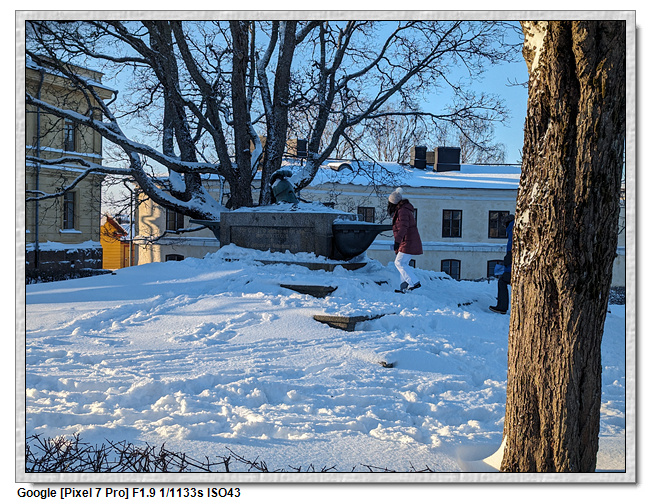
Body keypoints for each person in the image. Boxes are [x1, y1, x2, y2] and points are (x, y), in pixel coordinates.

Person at [388, 188, 423, 293]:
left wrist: (397, 242)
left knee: (399, 262)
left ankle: (414, 282)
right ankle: (404, 287)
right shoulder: (402, 210)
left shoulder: (402, 211)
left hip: (408, 241)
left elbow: (403, 228)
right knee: (403, 263)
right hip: (407, 240)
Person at [490, 214, 515, 314]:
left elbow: (511, 246)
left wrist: (508, 258)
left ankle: (502, 307)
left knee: (502, 282)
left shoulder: (512, 230)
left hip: (512, 265)